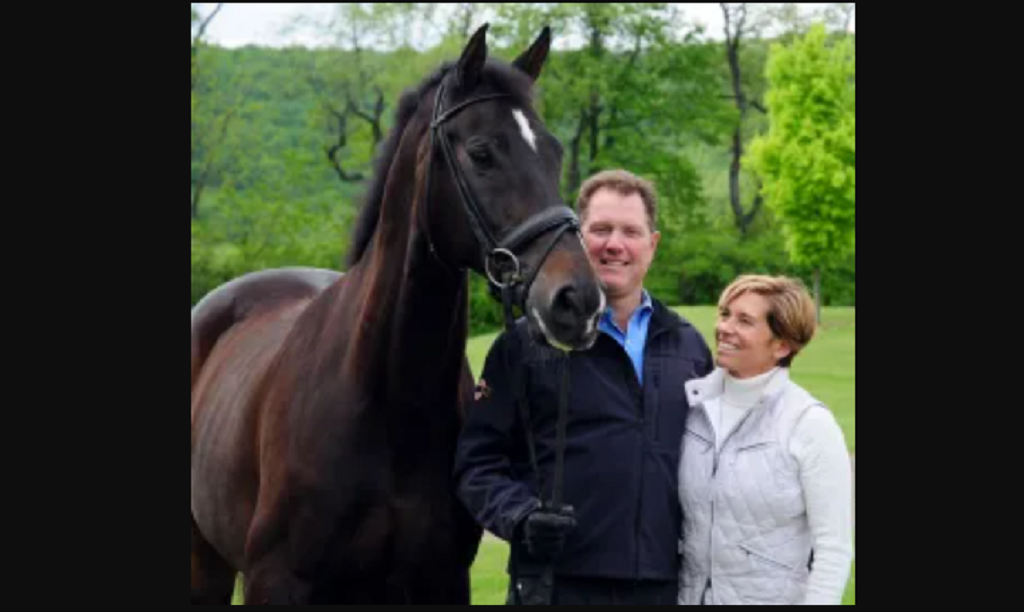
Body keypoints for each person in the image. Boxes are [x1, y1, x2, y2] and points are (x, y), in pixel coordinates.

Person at [453, 169, 714, 605]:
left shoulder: (687, 346)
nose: (615, 244)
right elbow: (477, 464)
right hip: (555, 587)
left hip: (663, 587)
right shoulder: (526, 343)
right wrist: (521, 516)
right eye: (601, 229)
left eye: (631, 231)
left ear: (653, 244)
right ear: (577, 236)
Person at [677, 274, 854, 605]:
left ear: (782, 345)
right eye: (725, 314)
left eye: (745, 321)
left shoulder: (810, 423)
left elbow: (834, 548)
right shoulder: (694, 408)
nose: (725, 327)